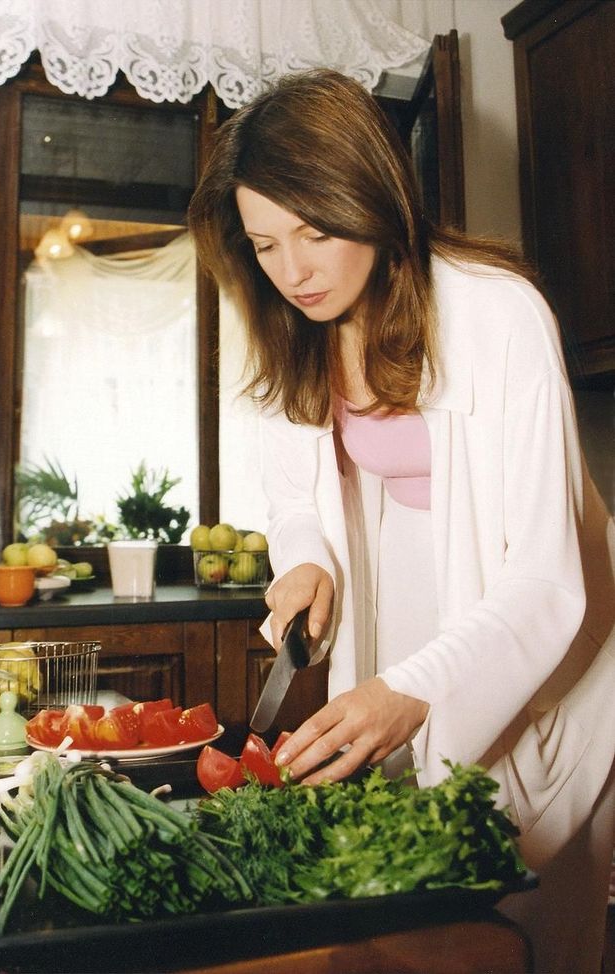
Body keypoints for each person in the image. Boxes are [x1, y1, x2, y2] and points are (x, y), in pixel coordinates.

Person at [188, 68, 615, 974]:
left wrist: (418, 687)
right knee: (391, 920)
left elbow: (544, 579)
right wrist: (305, 563)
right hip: (414, 616)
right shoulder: (290, 320)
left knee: (528, 920)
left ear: (374, 197)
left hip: (556, 637)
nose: (292, 270)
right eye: (264, 244)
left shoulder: (499, 314)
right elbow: (297, 499)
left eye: (316, 231)